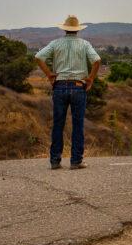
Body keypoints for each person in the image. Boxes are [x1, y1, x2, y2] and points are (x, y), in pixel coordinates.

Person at [35, 15, 101, 170]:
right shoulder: (85, 44)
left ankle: (55, 161)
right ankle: (76, 161)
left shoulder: (56, 43)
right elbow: (97, 61)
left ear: (64, 29)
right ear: (77, 30)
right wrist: (90, 79)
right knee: (78, 125)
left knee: (58, 124)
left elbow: (38, 57)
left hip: (59, 87)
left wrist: (49, 74)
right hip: (79, 87)